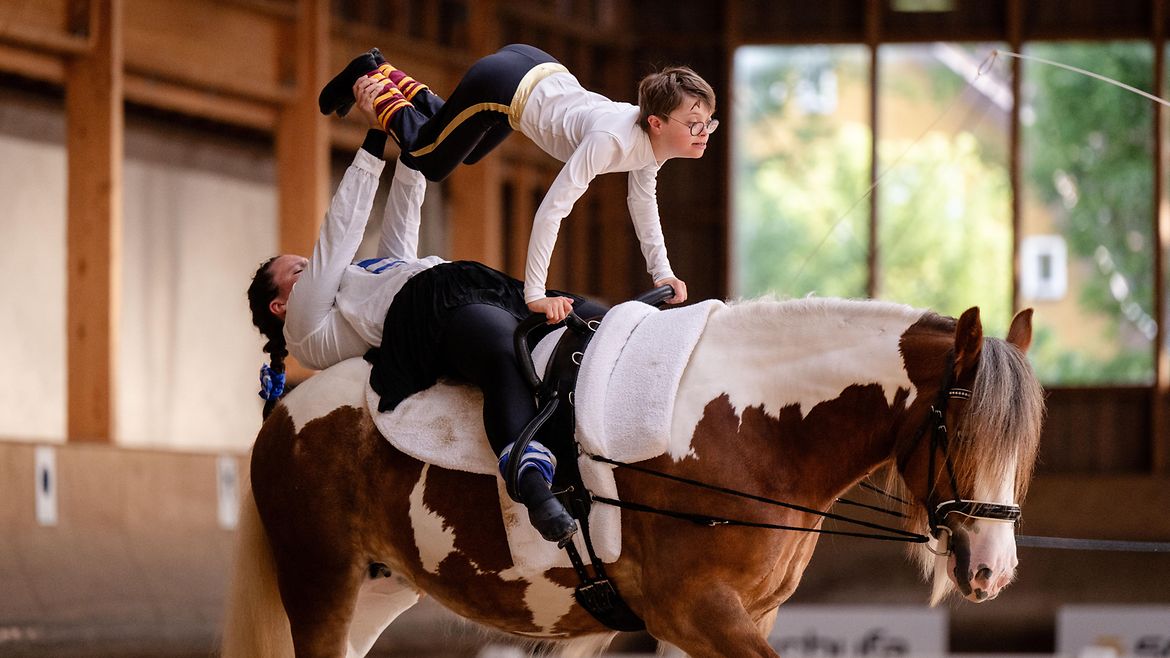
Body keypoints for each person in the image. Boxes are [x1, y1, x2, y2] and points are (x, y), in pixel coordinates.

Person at [248, 81, 605, 546]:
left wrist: (415, 146)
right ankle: (530, 481)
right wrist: (374, 140)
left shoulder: (358, 282)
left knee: (587, 317)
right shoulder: (304, 326)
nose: (310, 268)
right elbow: (338, 235)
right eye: (299, 268)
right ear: (279, 305)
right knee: (500, 347)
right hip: (421, 314)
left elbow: (402, 226)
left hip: (457, 281)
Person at [318, 44, 717, 323]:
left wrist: (662, 272)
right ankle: (368, 75)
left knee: (466, 150)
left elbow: (643, 204)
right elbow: (552, 211)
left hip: (531, 76)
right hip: (505, 84)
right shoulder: (611, 140)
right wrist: (535, 294)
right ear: (656, 123)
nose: (704, 133)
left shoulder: (651, 147)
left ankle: (384, 70)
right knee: (428, 159)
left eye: (708, 123)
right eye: (695, 125)